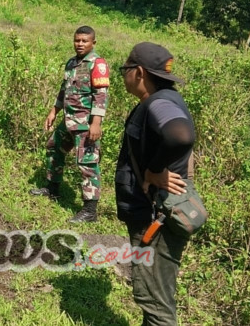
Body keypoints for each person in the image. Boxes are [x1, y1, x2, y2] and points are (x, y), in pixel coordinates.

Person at [115, 42, 195, 326]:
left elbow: (180, 136)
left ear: (138, 72)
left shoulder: (158, 102)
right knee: (158, 294)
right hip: (156, 213)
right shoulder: (166, 98)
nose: (122, 75)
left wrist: (154, 171)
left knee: (154, 300)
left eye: (124, 69)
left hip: (155, 216)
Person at [30, 25, 110, 223]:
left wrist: (96, 123)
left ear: (93, 43)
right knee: (53, 147)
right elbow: (63, 90)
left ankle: (90, 211)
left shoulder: (97, 64)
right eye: (77, 40)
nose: (80, 44)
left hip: (85, 124)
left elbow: (101, 96)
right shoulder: (71, 63)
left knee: (87, 164)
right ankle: (52, 189)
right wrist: (53, 111)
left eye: (84, 41)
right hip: (69, 120)